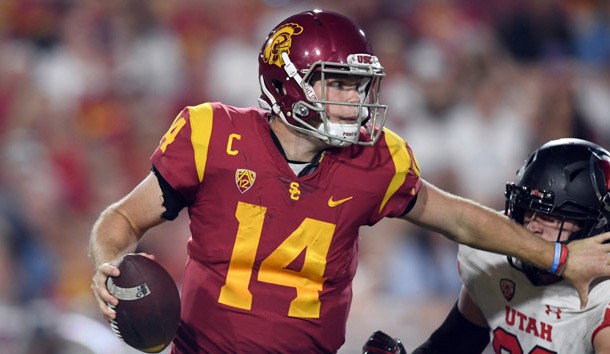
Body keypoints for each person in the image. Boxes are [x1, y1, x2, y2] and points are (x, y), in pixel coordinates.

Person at [89, 9, 610, 353]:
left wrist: (560, 258)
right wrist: (105, 262)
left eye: (360, 86)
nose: (356, 102)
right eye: (339, 84)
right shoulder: (211, 134)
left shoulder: (373, 159)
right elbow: (123, 219)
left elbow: (455, 216)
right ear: (289, 85)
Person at [408, 138, 610, 354]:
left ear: (596, 226)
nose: (532, 227)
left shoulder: (602, 296)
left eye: (549, 218)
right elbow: (452, 346)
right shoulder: (495, 260)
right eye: (527, 212)